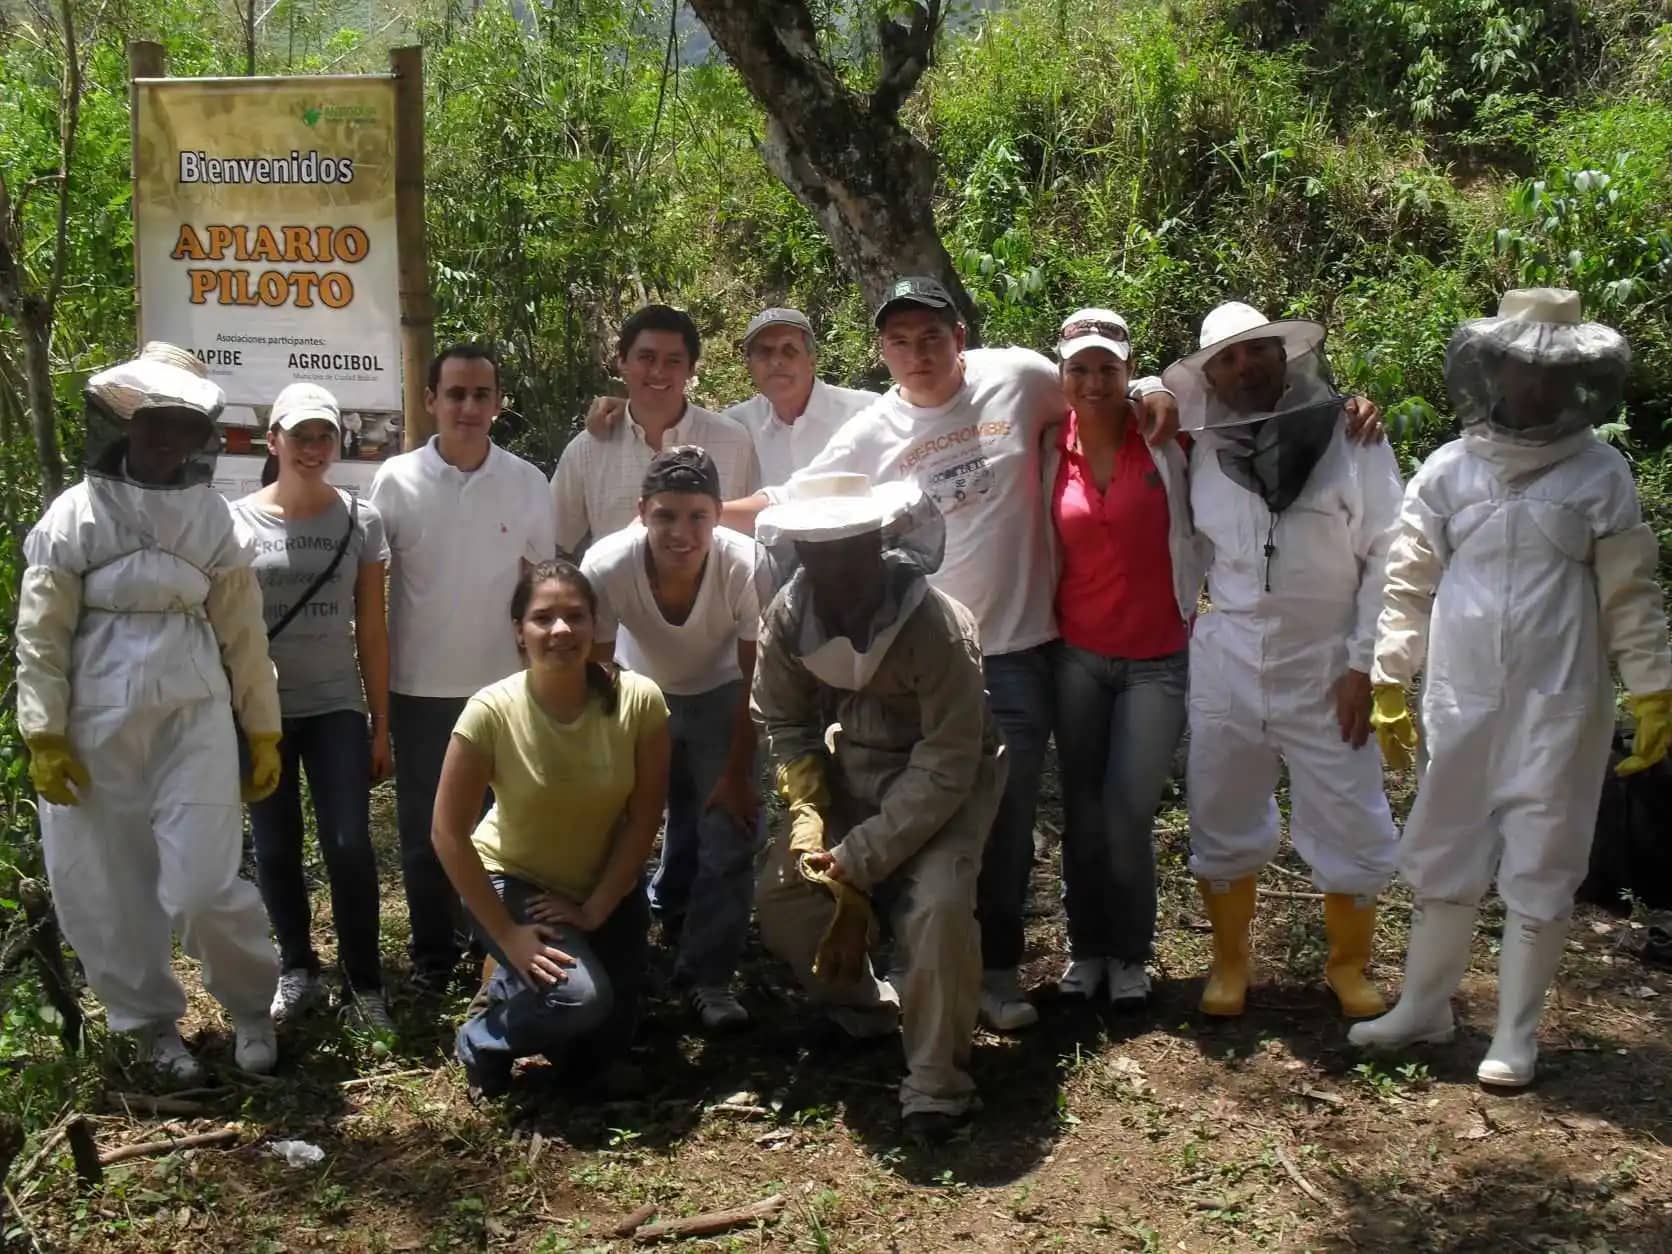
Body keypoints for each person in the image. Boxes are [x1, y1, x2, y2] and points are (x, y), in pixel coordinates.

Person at [735, 276, 1180, 1032]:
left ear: (961, 339)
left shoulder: (1018, 377)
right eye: (900, 341)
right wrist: (682, 513)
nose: (918, 354)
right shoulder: (873, 432)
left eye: (932, 337)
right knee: (930, 810)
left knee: (1005, 817)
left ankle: (996, 969)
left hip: (1022, 647)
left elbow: (1095, 388)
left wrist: (1152, 385)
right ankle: (926, 961)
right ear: (881, 352)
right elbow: (791, 504)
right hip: (925, 656)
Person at [1350, 288, 1672, 1086]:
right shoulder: (1450, 469)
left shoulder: (1601, 475)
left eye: (1554, 372)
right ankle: (1424, 1006)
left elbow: (1631, 594)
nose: (1537, 386)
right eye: (1523, 368)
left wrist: (1653, 687)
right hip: (1460, 696)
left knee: (1544, 856)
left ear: (1580, 379)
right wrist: (1391, 676)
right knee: (1443, 842)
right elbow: (1407, 583)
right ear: (1494, 369)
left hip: (1560, 704)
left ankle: (1516, 1034)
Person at [14, 342, 282, 1080]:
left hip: (194, 715)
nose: (163, 437)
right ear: (127, 423)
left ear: (200, 436)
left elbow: (244, 634)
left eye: (178, 424)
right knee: (106, 879)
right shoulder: (73, 515)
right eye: (151, 421)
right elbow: (41, 635)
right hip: (94, 721)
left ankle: (252, 1006)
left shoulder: (216, 522)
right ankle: (151, 1027)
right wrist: (42, 731)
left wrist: (261, 725)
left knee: (202, 882)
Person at [1163, 301, 1403, 1019]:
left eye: (1257, 352)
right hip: (1228, 655)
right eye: (1227, 359)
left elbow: (1390, 555)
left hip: (1327, 659)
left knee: (1349, 810)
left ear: (1284, 357)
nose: (1245, 367)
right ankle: (1230, 965)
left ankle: (1348, 966)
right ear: (1208, 375)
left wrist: (1368, 665)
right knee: (1220, 804)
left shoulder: (1351, 435)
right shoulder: (1197, 447)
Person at [752, 472, 1006, 1144]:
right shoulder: (786, 616)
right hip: (848, 771)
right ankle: (865, 1004)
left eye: (850, 547)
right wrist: (809, 812)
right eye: (819, 548)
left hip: (946, 785)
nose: (836, 566)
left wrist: (857, 860)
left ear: (879, 542)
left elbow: (949, 761)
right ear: (799, 551)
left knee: (939, 907)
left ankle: (936, 1087)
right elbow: (782, 720)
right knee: (784, 895)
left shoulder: (939, 627)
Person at [431, 561, 670, 1099]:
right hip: (515, 884)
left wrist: (597, 907)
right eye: (543, 618)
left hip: (600, 885)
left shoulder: (639, 701)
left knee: (597, 1058)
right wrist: (510, 935)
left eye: (574, 616)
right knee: (579, 1001)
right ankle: (481, 1035)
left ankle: (512, 988)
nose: (560, 630)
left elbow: (645, 814)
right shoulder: (490, 712)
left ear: (594, 625)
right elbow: (447, 834)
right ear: (519, 630)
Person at [369, 343, 558, 993]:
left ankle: (497, 953)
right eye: (455, 394)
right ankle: (432, 958)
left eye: (481, 395)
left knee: (503, 832)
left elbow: (539, 590)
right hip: (421, 690)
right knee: (429, 834)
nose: (469, 407)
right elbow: (371, 592)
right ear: (429, 402)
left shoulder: (528, 482)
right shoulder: (394, 483)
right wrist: (378, 706)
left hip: (505, 690)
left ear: (499, 403)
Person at [1047, 309, 1207, 1008]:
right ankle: (1087, 948)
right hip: (1077, 653)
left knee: (1127, 811)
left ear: (1127, 369)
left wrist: (1354, 409)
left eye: (1108, 368)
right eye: (1079, 368)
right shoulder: (1052, 443)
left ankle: (1132, 950)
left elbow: (1241, 405)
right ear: (1062, 375)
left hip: (1158, 658)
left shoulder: (1168, 439)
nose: (1093, 381)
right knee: (1080, 809)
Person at [581, 447, 762, 1029]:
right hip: (640, 691)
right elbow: (598, 672)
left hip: (723, 693)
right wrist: (609, 766)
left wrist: (736, 776)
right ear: (641, 512)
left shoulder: (747, 565)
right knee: (625, 823)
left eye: (696, 518)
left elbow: (758, 678)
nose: (680, 533)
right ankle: (624, 954)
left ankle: (709, 977)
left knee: (729, 829)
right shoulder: (607, 565)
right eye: (665, 517)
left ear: (717, 516)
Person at [234, 382, 394, 1032]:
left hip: (335, 707)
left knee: (349, 844)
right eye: (299, 435)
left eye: (323, 435)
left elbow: (373, 629)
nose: (312, 448)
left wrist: (381, 723)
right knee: (273, 848)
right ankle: (297, 967)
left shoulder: (361, 520)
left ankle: (366, 984)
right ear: (273, 440)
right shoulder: (236, 522)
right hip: (262, 712)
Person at [582, 306, 876, 500]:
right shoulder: (737, 425)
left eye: (789, 350)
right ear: (749, 364)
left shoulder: (864, 413)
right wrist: (627, 409)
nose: (776, 361)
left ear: (811, 359)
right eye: (764, 352)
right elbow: (674, 411)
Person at [551, 305, 757, 556]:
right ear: (623, 362)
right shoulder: (587, 450)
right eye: (647, 358)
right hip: (616, 594)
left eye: (673, 361)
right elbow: (554, 540)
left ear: (691, 369)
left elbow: (754, 535)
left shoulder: (733, 442)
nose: (659, 372)